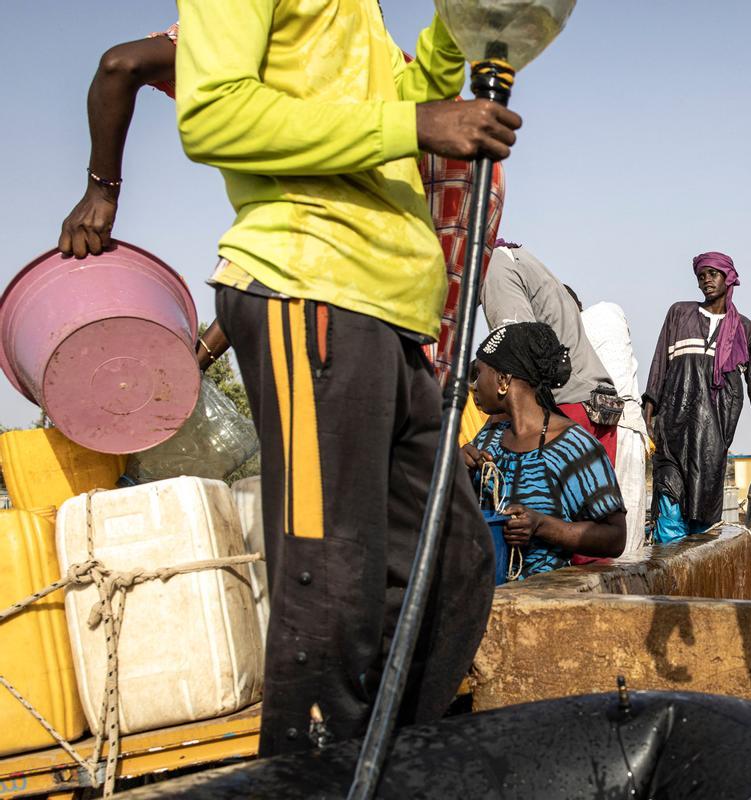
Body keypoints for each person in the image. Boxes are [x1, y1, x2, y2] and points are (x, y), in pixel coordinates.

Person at [173, 0, 523, 757]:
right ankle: (305, 777)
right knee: (330, 590)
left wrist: (450, 32)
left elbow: (397, 110)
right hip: (309, 286)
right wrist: (413, 126)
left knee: (453, 566)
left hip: (391, 313)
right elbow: (211, 116)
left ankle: (375, 767)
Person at [58, 22, 506, 380]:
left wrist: (101, 192)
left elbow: (298, 245)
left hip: (361, 322)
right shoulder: (331, 46)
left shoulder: (332, 43)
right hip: (398, 339)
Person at [462, 323, 626, 577]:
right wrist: (456, 468)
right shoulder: (489, 436)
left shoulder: (573, 446)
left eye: (480, 373)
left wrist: (542, 525)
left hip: (541, 604)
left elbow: (616, 537)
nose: (475, 385)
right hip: (480, 593)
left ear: (503, 380)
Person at [643, 252, 751, 543]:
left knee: (703, 516)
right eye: (701, 276)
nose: (706, 280)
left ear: (729, 277)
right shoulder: (679, 313)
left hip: (713, 435)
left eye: (713, 274)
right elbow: (660, 364)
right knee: (669, 500)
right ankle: (667, 582)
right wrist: (648, 415)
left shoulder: (744, 329)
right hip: (673, 429)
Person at [480, 243, 619, 464]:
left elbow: (517, 358)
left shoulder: (494, 267)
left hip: (564, 410)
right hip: (597, 406)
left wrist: (484, 437)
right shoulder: (521, 262)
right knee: (595, 495)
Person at [568, 289, 651, 556]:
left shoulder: (594, 320)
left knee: (613, 521)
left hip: (614, 427)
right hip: (620, 425)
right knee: (625, 518)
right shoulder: (609, 314)